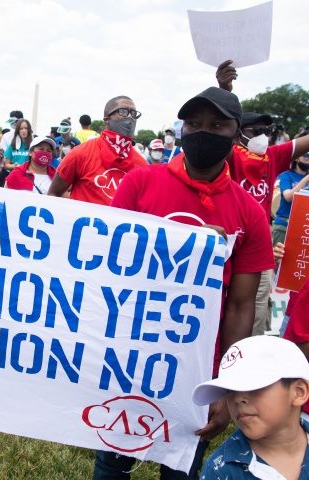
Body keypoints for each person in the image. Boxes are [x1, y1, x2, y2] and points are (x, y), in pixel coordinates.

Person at [97, 87, 276, 479]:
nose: (203, 132)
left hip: (199, 370)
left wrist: (228, 387)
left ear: (236, 134)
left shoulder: (249, 212)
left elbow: (242, 305)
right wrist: (174, 243)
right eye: (193, 123)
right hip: (132, 356)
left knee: (182, 468)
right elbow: (109, 265)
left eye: (216, 125)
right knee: (112, 462)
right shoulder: (140, 185)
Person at [216, 59, 309, 336]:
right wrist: (224, 90)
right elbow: (217, 124)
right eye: (255, 131)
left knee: (253, 317)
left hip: (257, 250)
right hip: (226, 245)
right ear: (237, 134)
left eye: (266, 131)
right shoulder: (229, 155)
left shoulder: (273, 156)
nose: (263, 136)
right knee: (220, 314)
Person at [193, 335, 309, 480]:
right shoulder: (220, 471)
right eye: (229, 390)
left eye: (254, 386)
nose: (237, 399)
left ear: (299, 392)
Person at [47, 95, 147, 204]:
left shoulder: (143, 166)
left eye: (134, 113)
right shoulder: (80, 154)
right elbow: (53, 194)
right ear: (106, 119)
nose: (130, 118)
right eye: (123, 112)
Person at [272, 151, 309, 246]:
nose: (307, 159)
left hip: (303, 228)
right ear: (296, 158)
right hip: (283, 226)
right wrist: (305, 180)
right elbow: (288, 197)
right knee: (277, 260)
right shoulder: (286, 175)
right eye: (305, 155)